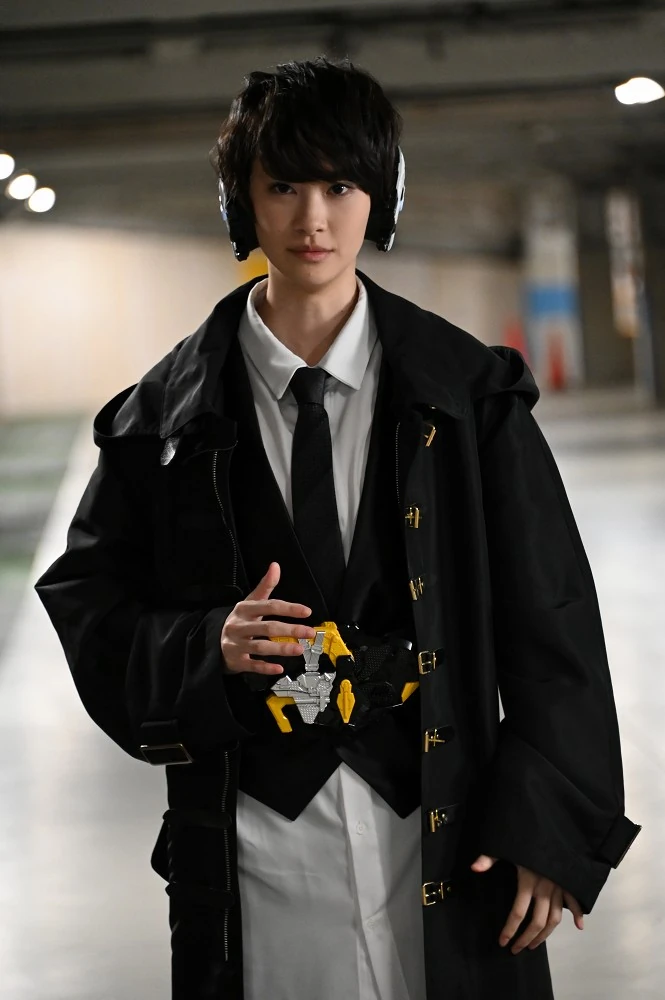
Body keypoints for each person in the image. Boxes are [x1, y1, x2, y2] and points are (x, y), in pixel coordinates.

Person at [35, 56, 640, 1000]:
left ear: (381, 197)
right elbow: (87, 603)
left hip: (441, 826)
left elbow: (552, 614)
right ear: (241, 201)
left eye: (340, 186)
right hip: (254, 848)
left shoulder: (469, 395)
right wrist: (205, 645)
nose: (312, 218)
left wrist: (549, 823)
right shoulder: (157, 421)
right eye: (283, 187)